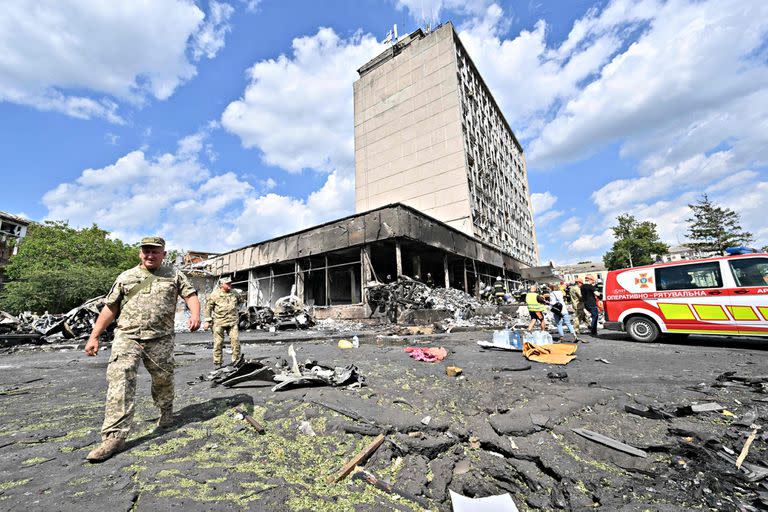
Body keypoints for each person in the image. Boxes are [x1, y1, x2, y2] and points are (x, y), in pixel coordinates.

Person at [84, 236, 201, 462]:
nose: (150, 254)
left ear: (163, 254)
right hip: (127, 336)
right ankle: (114, 436)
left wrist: (195, 314)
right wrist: (94, 336)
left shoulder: (174, 275)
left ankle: (166, 413)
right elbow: (111, 308)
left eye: (155, 251)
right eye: (146, 251)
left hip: (161, 338)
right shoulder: (126, 277)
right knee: (120, 379)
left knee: (163, 379)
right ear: (140, 253)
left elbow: (191, 295)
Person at [203, 277, 242, 367]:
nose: (230, 285)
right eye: (227, 284)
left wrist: (237, 310)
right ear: (221, 285)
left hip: (232, 321)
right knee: (218, 343)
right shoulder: (215, 294)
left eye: (230, 283)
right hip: (219, 322)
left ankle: (236, 361)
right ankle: (218, 362)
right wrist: (207, 321)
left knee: (235, 341)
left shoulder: (234, 293)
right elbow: (208, 307)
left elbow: (241, 301)